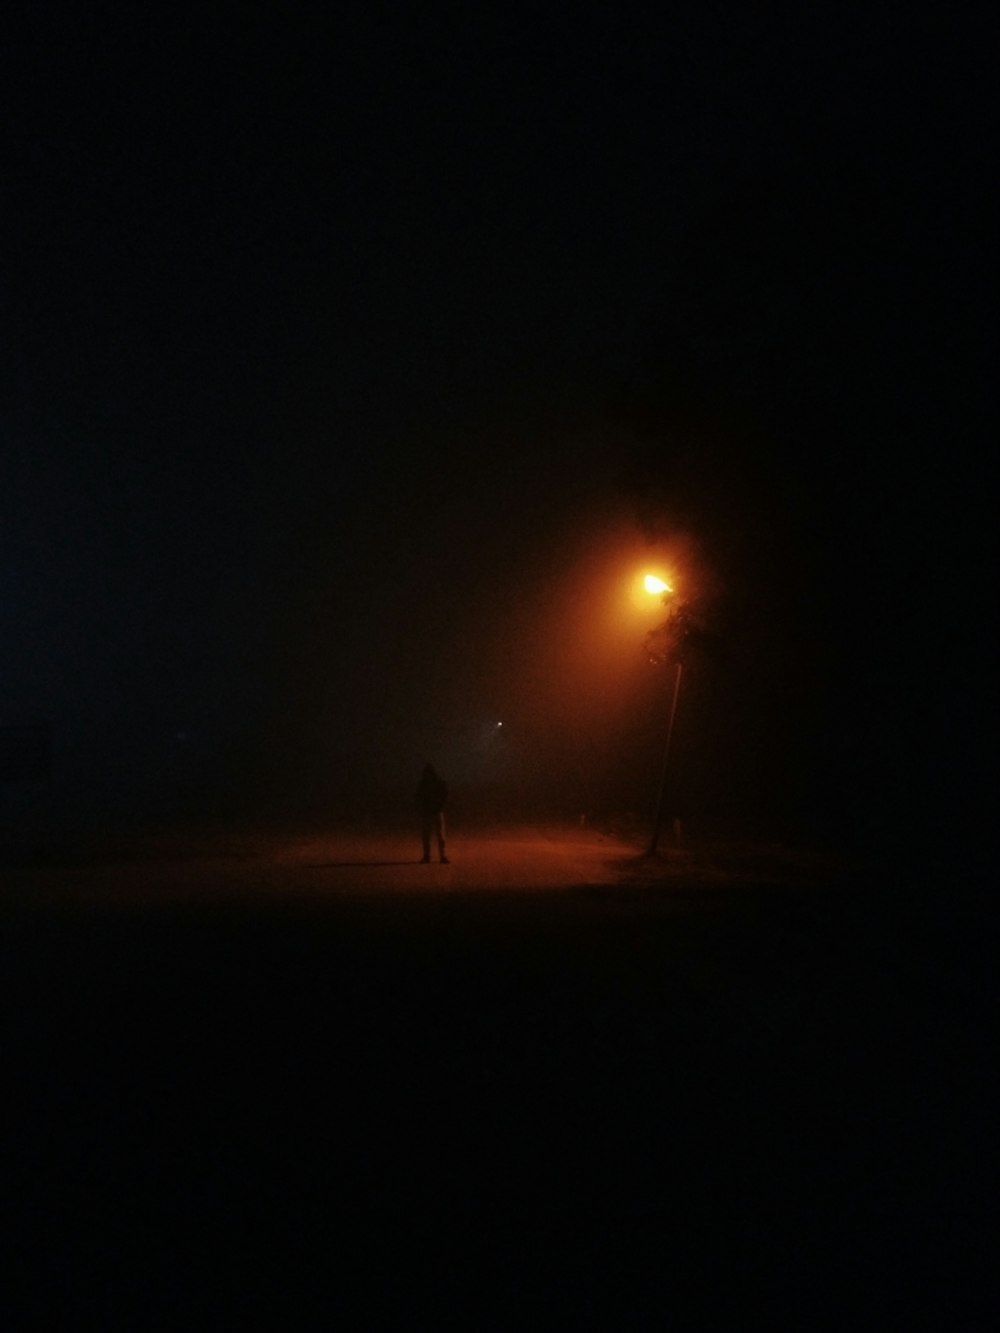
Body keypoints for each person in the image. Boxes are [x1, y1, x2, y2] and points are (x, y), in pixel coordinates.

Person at [416, 763, 449, 863]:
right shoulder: (431, 783)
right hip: (430, 812)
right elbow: (418, 797)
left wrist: (439, 806)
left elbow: (444, 795)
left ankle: (440, 856)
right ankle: (430, 856)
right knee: (429, 835)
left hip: (434, 811)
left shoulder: (428, 783)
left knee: (438, 835)